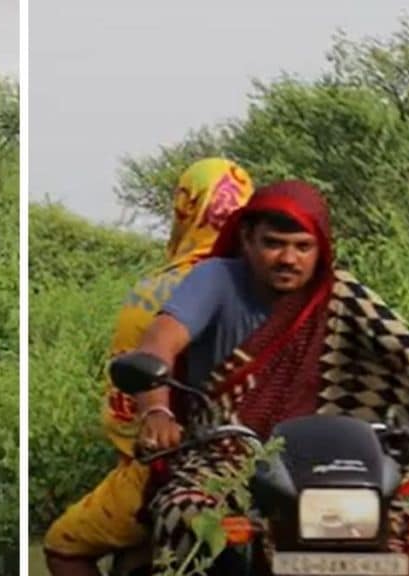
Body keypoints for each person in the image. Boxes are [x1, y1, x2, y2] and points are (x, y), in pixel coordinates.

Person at [132, 180, 409, 576]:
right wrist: (156, 410)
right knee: (189, 514)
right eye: (274, 243)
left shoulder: (339, 292)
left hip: (328, 459)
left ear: (320, 248)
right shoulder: (216, 279)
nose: (288, 258)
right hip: (227, 456)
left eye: (302, 246)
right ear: (247, 239)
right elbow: (159, 343)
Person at [43, 158, 255, 575]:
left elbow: (128, 402)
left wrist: (151, 424)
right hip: (264, 451)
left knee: (62, 544)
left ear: (185, 209)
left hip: (175, 458)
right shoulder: (265, 281)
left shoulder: (157, 289)